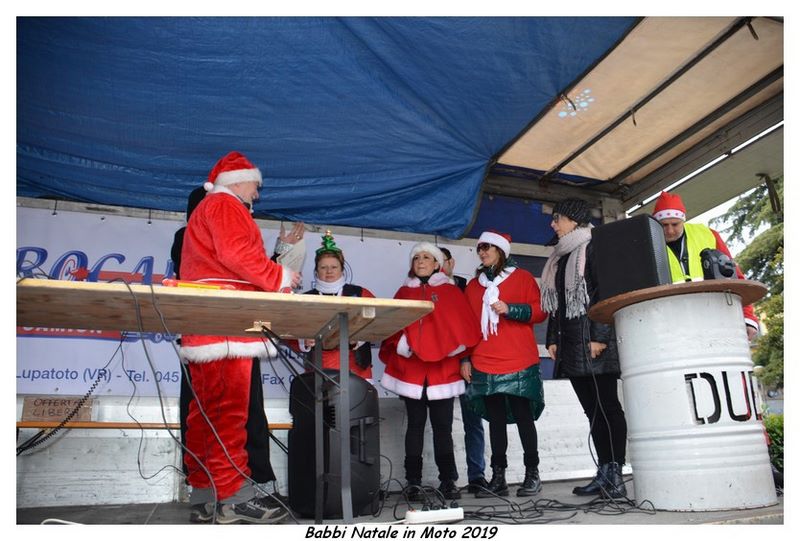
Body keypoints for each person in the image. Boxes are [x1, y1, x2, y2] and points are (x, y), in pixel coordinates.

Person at [179, 151, 301, 524]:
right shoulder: (226, 205)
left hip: (208, 322)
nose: (257, 194)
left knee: (205, 412)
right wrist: (279, 276)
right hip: (226, 323)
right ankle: (234, 497)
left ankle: (205, 493)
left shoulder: (210, 207)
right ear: (237, 180)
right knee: (229, 411)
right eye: (255, 185)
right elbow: (237, 254)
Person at [540, 198, 628, 499]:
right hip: (571, 343)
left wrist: (600, 337)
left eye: (558, 218)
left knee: (608, 407)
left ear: (574, 219)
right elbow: (558, 303)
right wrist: (552, 339)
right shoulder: (561, 255)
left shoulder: (594, 247)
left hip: (594, 342)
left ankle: (616, 472)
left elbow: (606, 295)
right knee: (592, 411)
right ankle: (604, 471)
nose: (553, 224)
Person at [379, 242, 481, 500]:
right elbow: (391, 327)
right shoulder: (403, 292)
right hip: (412, 371)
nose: (421, 261)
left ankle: (448, 480)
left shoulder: (451, 292)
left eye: (426, 257)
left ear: (437, 264)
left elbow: (465, 327)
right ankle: (413, 481)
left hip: (442, 372)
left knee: (442, 428)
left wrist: (449, 347)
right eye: (416, 258)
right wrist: (404, 344)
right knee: (414, 426)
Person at [463, 231, 547, 498]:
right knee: (495, 420)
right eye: (479, 248)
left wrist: (511, 309)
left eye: (487, 247)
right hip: (484, 359)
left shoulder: (522, 278)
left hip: (519, 357)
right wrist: (465, 359)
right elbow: (466, 325)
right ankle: (498, 477)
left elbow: (540, 311)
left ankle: (532, 473)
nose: (482, 252)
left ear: (500, 250)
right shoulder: (473, 286)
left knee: (523, 416)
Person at [653, 191, 759, 341]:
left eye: (675, 224)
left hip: (717, 317)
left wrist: (748, 317)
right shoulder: (648, 242)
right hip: (674, 325)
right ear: (655, 224)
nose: (670, 231)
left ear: (683, 220)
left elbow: (734, 277)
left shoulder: (708, 234)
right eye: (664, 225)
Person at [440, 247, 488, 494]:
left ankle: (477, 476)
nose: (439, 266)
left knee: (473, 421)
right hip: (439, 366)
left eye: (443, 261)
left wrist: (466, 358)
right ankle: (448, 479)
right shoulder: (421, 288)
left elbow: (469, 327)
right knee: (442, 425)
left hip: (466, 363)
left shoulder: (465, 286)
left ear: (451, 263)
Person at [299, 231, 375, 380]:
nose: (329, 271)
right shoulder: (305, 299)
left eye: (334, 267)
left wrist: (358, 339)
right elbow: (290, 330)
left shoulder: (361, 294)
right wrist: (304, 341)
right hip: (319, 369)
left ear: (342, 269)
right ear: (316, 271)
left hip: (356, 368)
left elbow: (378, 325)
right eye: (323, 267)